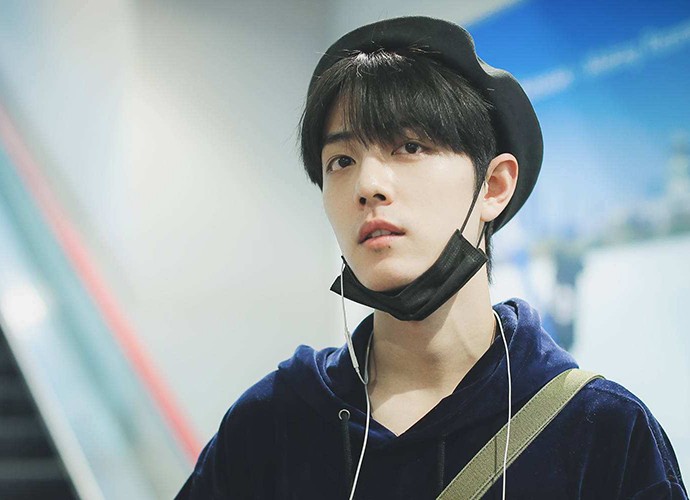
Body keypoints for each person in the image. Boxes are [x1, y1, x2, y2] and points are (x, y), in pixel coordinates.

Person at [177, 16, 687, 499]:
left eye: (410, 147)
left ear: (494, 186)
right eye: (341, 160)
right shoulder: (273, 423)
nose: (368, 185)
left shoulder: (600, 432)